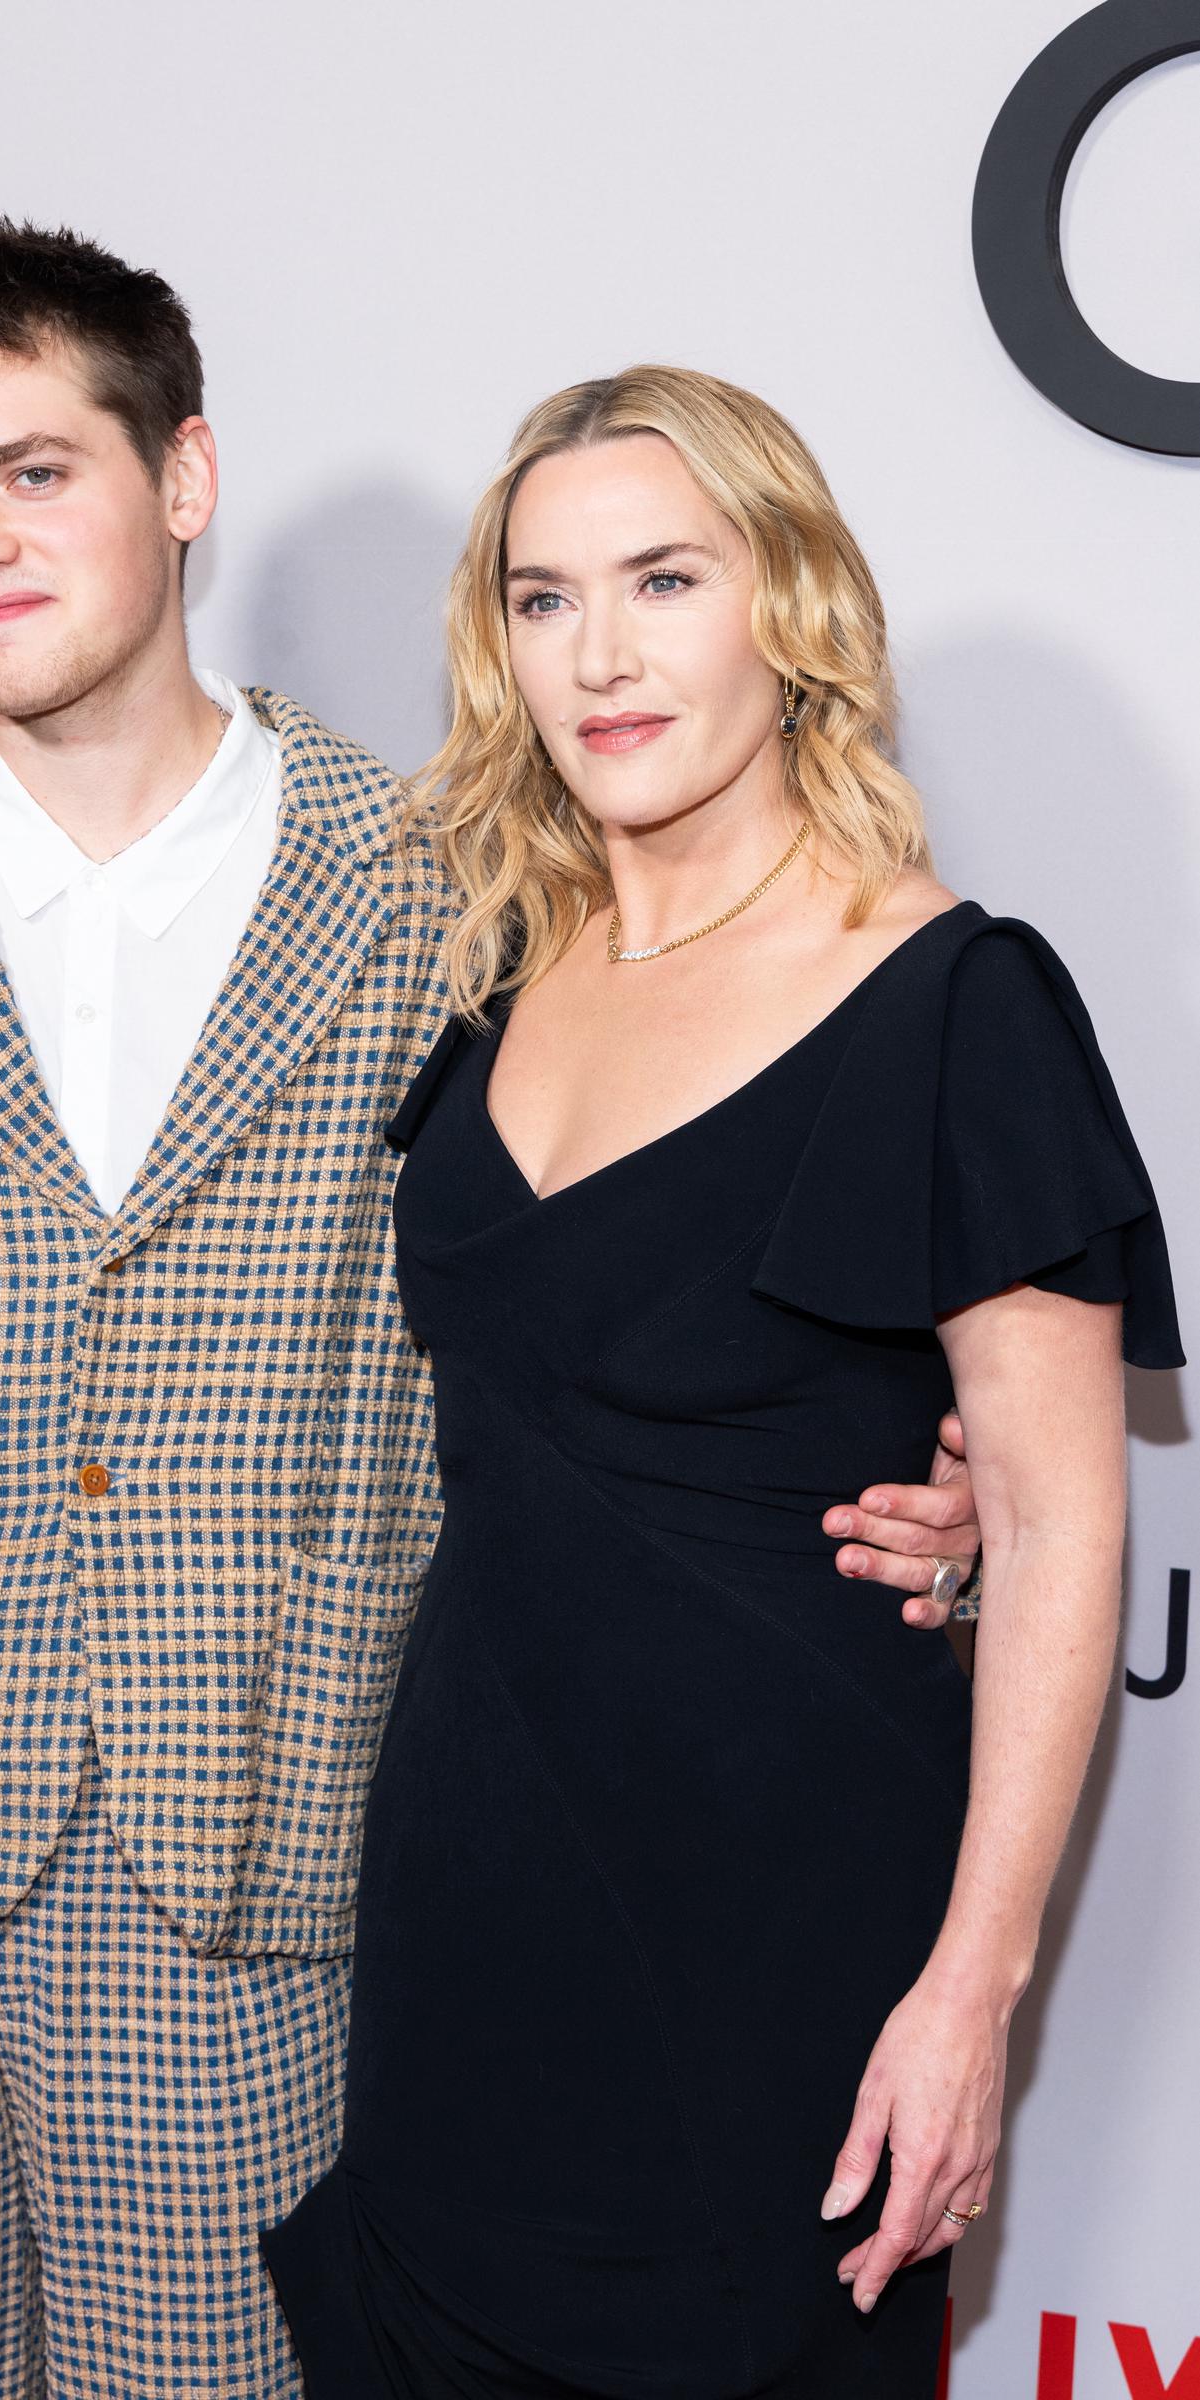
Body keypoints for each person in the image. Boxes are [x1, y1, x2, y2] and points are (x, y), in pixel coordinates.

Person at [0, 231, 985, 2400]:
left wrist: (934, 1491)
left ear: (184, 477)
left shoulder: (456, 894)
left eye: (33, 472)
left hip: (259, 1852)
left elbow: (608, 1278)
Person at [262, 367, 1184, 2397]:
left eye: (662, 580)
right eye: (543, 598)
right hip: (465, 1900)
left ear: (789, 602)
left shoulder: (952, 999)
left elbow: (1055, 1522)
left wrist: (972, 1993)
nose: (598, 655)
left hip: (785, 1926)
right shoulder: (504, 977)